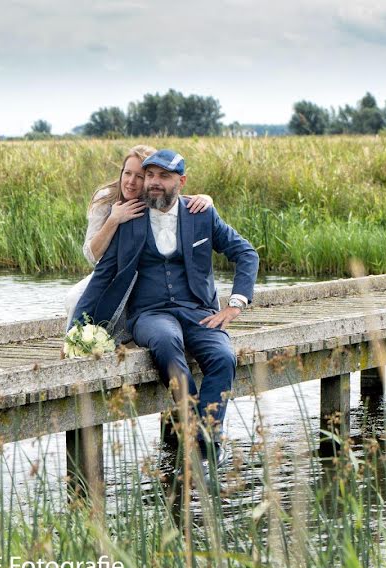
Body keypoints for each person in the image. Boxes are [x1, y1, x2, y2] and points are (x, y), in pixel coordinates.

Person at [70, 149, 259, 466]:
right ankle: (191, 426)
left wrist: (236, 304)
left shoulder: (201, 214)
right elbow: (102, 275)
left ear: (181, 181)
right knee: (166, 342)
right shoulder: (130, 220)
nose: (154, 183)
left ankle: (207, 439)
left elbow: (246, 253)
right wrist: (77, 329)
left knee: (224, 356)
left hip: (199, 311)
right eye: (151, 175)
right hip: (150, 314)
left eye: (164, 176)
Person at [64, 145, 213, 330]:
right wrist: (114, 219)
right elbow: (91, 255)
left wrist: (206, 198)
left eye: (140, 176)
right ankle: (75, 339)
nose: (131, 182)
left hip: (146, 271)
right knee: (74, 297)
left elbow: (178, 199)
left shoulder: (154, 195)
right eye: (127, 173)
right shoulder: (105, 198)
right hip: (111, 269)